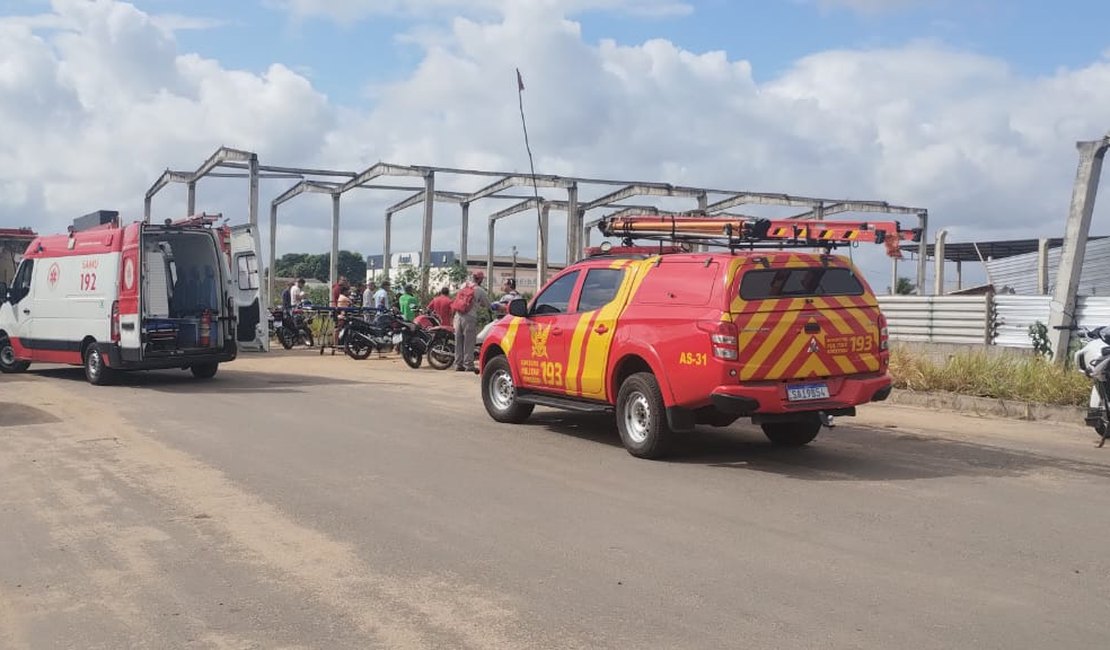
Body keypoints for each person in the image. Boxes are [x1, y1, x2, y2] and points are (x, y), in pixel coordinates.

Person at [452, 271, 491, 373]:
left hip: (458, 316)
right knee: (469, 342)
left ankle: (458, 364)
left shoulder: (463, 285)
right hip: (470, 317)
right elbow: (487, 304)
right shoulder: (479, 290)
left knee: (458, 341)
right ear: (480, 279)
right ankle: (468, 364)